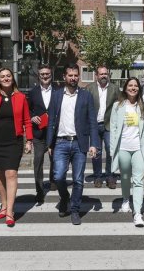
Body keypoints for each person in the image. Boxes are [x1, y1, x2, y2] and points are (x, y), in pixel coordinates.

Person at [46, 63, 99, 225]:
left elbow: (92, 121)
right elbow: (51, 121)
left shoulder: (86, 95)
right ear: (64, 77)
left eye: (76, 75)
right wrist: (50, 143)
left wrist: (94, 144)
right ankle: (64, 198)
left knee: (78, 180)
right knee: (58, 176)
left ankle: (75, 210)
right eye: (70, 75)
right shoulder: (56, 95)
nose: (73, 78)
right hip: (60, 142)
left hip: (79, 143)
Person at [0, 67, 33, 227]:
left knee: (11, 173)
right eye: (2, 76)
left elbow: (27, 121)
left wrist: (29, 141)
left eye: (8, 76)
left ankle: (10, 211)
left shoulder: (21, 97)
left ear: (12, 78)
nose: (5, 78)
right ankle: (3, 204)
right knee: (0, 174)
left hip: (14, 141)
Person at [110, 77, 144, 227]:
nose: (133, 88)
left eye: (136, 86)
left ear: (139, 89)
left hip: (139, 149)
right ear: (125, 88)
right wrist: (112, 151)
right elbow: (113, 128)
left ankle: (137, 213)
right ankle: (125, 199)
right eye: (130, 85)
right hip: (122, 147)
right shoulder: (117, 106)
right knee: (124, 176)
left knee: (138, 180)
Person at [86, 66, 120, 189]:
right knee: (97, 152)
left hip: (109, 125)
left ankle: (110, 176)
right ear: (97, 76)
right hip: (94, 126)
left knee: (111, 151)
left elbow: (120, 106)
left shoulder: (115, 89)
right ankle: (98, 176)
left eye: (106, 74)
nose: (104, 76)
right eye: (101, 74)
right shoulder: (89, 89)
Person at [28, 64, 57, 205]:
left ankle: (53, 182)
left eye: (47, 74)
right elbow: (27, 111)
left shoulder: (58, 91)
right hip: (38, 134)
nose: (45, 76)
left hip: (54, 133)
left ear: (51, 75)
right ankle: (39, 191)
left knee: (55, 161)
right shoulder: (33, 92)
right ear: (39, 76)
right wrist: (32, 117)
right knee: (38, 162)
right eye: (42, 74)